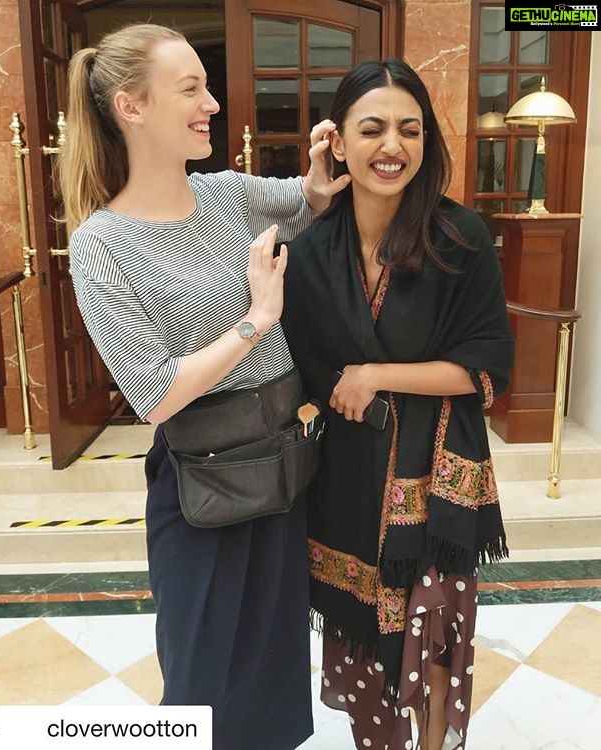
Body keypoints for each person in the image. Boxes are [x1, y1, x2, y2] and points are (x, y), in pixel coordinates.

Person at [58, 23, 349, 750]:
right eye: (190, 89)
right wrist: (256, 321)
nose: (212, 104)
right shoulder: (100, 243)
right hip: (202, 491)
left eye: (207, 88)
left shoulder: (227, 194)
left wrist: (323, 172)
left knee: (274, 673)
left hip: (282, 469)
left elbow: (308, 201)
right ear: (131, 107)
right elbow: (155, 395)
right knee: (199, 682)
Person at [281, 59, 514, 750]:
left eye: (410, 130)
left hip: (436, 473)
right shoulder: (310, 252)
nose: (393, 146)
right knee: (360, 645)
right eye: (373, 128)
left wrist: (377, 374)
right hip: (347, 477)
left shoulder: (458, 237)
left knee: (435, 642)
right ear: (337, 142)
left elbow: (485, 367)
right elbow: (306, 372)